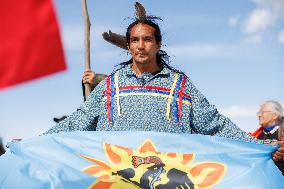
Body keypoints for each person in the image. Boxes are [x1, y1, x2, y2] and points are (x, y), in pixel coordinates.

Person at [43, 6, 260, 145]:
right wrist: (35, 142)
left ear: (158, 44)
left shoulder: (180, 85)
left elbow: (214, 124)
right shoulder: (111, 85)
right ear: (128, 46)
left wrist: (257, 145)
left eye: (147, 39)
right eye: (135, 40)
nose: (141, 46)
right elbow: (78, 122)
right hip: (116, 178)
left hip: (169, 177)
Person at [250, 100, 284, 175]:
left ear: (274, 115)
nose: (259, 115)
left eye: (262, 112)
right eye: (258, 113)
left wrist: (281, 147)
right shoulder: (254, 136)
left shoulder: (282, 133)